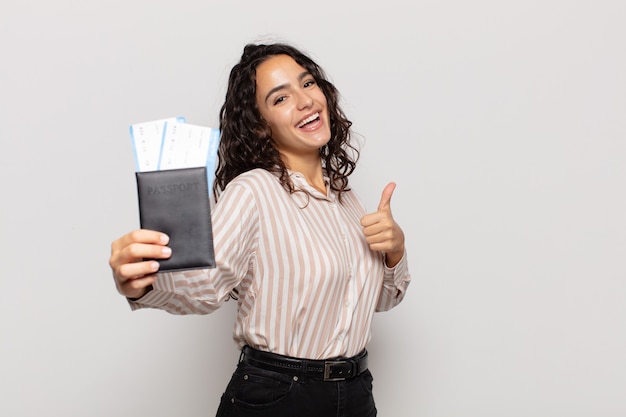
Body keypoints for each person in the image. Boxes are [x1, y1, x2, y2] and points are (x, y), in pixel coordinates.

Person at [109, 42, 411, 417]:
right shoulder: (253, 190)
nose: (305, 101)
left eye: (308, 83)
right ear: (260, 126)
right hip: (279, 398)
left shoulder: (345, 198)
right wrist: (142, 283)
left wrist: (395, 251)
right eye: (281, 98)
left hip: (355, 395)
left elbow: (377, 302)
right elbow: (207, 285)